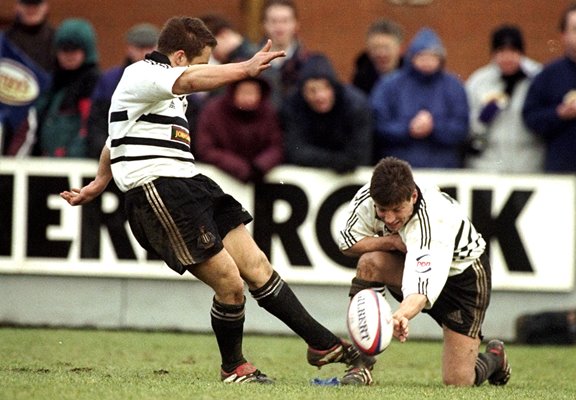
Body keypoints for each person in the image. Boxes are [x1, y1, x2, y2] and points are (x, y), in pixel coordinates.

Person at [60, 16, 370, 384]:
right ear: (178, 56)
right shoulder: (143, 74)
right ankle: (234, 367)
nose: (206, 71)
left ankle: (321, 344)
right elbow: (189, 80)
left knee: (256, 265)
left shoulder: (160, 92)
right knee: (229, 283)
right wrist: (246, 68)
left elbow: (116, 139)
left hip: (189, 183)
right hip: (156, 188)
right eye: (202, 61)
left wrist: (98, 182)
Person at [337, 156, 511, 386]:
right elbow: (347, 242)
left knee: (458, 381)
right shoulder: (368, 197)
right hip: (412, 267)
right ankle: (361, 365)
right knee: (371, 263)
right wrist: (391, 243)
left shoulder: (433, 220)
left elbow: (420, 291)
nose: (389, 219)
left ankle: (494, 359)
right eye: (382, 210)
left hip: (463, 279)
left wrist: (401, 316)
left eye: (397, 209)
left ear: (413, 196)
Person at [522, 2, 576, 172]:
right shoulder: (548, 75)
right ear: (563, 35)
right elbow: (530, 116)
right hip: (561, 171)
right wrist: (558, 114)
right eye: (575, 29)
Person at [370, 27, 469, 168]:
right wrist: (407, 129)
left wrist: (434, 127)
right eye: (422, 56)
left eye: (432, 56)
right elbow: (378, 124)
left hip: (443, 170)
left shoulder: (453, 86)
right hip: (399, 171)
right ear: (412, 58)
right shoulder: (390, 85)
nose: (427, 61)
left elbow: (461, 128)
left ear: (440, 59)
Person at [7, 17, 100, 157]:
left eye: (74, 49)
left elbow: (89, 128)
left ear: (87, 51)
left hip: (77, 166)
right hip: (43, 162)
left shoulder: (94, 84)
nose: (68, 55)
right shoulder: (49, 83)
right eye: (64, 49)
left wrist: (70, 154)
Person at [465, 25, 544, 173]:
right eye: (501, 51)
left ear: (521, 53)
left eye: (513, 51)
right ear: (493, 54)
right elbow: (467, 125)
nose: (507, 58)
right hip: (488, 163)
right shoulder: (480, 81)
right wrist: (482, 119)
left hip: (528, 163)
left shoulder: (537, 78)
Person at [280, 54, 373, 172]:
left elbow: (360, 155)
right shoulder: (292, 105)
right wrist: (335, 161)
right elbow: (295, 151)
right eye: (312, 90)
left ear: (334, 87)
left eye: (326, 88)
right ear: (302, 92)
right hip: (308, 175)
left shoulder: (356, 105)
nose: (320, 96)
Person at [87, 23, 160, 158]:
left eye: (149, 47)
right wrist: (106, 153)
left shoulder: (170, 81)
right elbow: (97, 122)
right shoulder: (109, 81)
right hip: (114, 156)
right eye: (140, 47)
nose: (145, 53)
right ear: (129, 48)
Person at [192, 76, 284, 183]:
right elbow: (205, 148)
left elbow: (276, 146)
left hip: (258, 176)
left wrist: (260, 166)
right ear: (233, 91)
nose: (249, 98)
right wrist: (238, 167)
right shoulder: (213, 112)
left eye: (253, 92)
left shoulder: (268, 112)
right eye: (244, 92)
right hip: (222, 178)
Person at [260, 0, 314, 107]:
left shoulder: (309, 62)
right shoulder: (249, 60)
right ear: (264, 24)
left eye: (285, 21)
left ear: (296, 24)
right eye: (273, 21)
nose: (279, 27)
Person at [352, 18, 405, 95]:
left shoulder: (412, 78)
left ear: (400, 49)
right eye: (376, 47)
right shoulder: (360, 79)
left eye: (387, 48)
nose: (381, 53)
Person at [4, 0, 55, 72]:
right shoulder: (4, 40)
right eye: (26, 4)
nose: (31, 9)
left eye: (36, 5)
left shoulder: (57, 39)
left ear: (46, 7)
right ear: (17, 7)